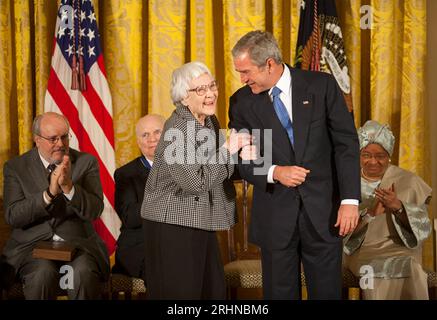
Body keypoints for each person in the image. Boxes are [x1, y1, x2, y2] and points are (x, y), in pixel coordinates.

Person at [228, 30, 361, 300]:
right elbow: (242, 158)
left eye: (245, 71)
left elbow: (345, 144)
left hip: (324, 214)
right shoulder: (241, 102)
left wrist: (350, 200)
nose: (242, 79)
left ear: (269, 64)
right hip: (275, 217)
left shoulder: (321, 86)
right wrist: (274, 172)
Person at [141, 61, 256, 299]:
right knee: (184, 295)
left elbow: (214, 168)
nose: (211, 93)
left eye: (212, 86)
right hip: (172, 223)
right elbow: (196, 183)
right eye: (200, 90)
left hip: (200, 219)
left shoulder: (208, 121)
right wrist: (228, 150)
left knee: (212, 291)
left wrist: (243, 156)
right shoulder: (176, 131)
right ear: (184, 98)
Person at [2, 112, 109, 299]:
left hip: (79, 245)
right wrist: (48, 195)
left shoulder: (86, 162)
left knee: (82, 274)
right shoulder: (16, 167)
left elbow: (95, 210)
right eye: (53, 139)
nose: (60, 143)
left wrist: (69, 188)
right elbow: (13, 216)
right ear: (37, 140)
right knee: (42, 274)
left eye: (65, 137)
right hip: (31, 247)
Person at [343, 120, 432, 300]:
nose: (373, 161)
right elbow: (339, 232)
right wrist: (369, 215)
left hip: (401, 249)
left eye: (380, 156)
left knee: (411, 268)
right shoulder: (346, 183)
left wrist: (398, 207)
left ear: (389, 156)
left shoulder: (408, 181)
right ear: (359, 155)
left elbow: (423, 229)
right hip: (361, 250)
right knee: (376, 268)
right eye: (366, 155)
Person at [112, 114, 165, 280]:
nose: (152, 139)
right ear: (138, 141)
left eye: (158, 132)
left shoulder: (185, 168)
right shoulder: (126, 174)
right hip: (140, 245)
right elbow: (130, 218)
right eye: (145, 135)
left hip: (177, 242)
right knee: (163, 269)